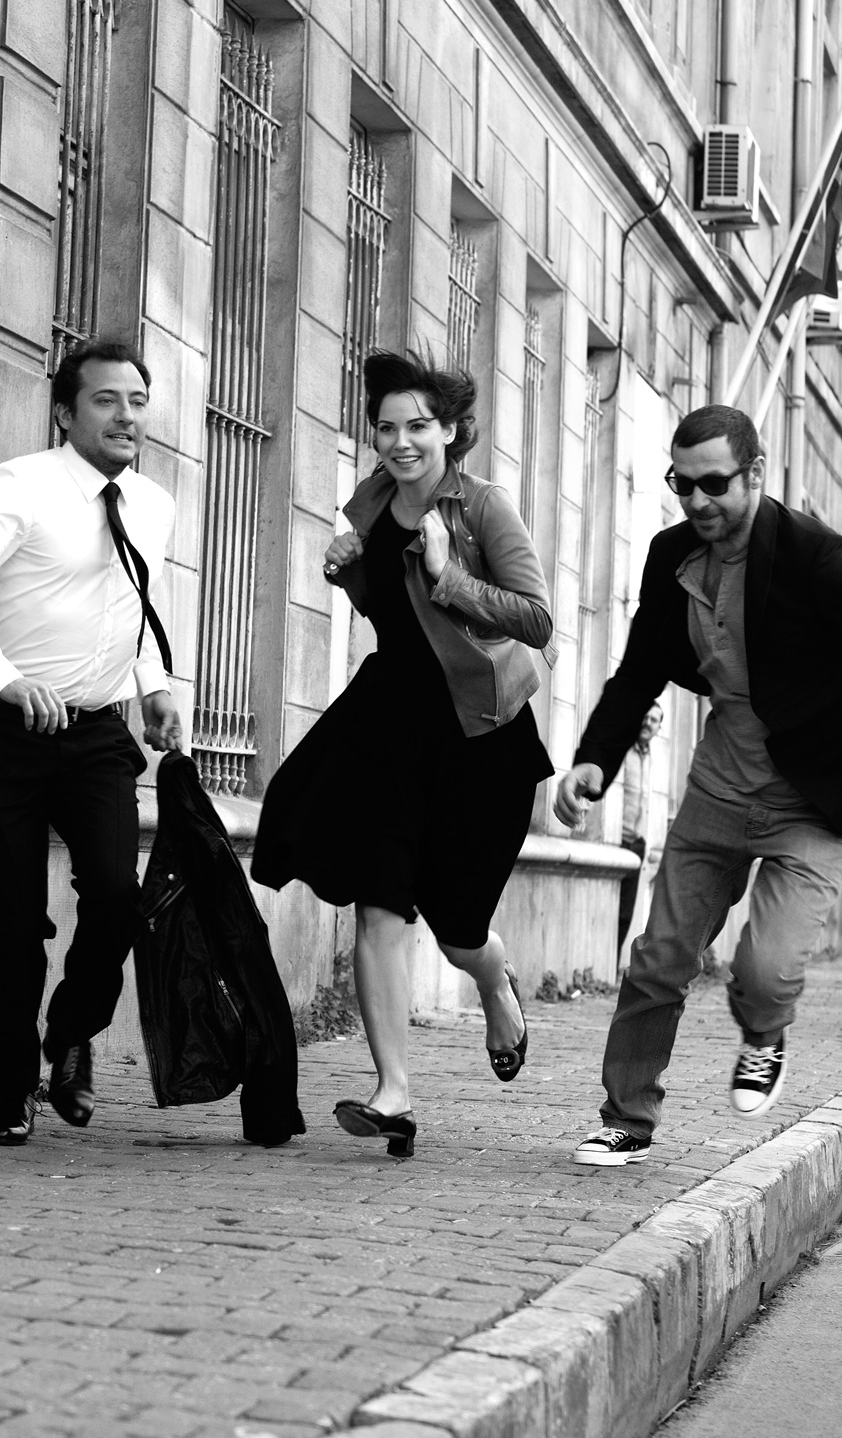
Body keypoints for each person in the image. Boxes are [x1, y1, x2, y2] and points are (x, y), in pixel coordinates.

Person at [556, 404, 842, 1167]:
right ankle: (626, 1117)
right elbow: (643, 665)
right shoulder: (673, 555)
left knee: (766, 973)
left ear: (754, 472)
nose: (698, 501)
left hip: (811, 800)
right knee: (659, 959)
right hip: (718, 790)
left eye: (714, 483)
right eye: (683, 484)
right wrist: (594, 759)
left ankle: (764, 1031)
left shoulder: (813, 554)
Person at [251, 350, 554, 1158]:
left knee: (458, 930)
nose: (400, 442)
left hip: (482, 738)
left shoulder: (484, 508)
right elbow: (394, 611)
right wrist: (348, 572)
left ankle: (493, 980)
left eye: (418, 425)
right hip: (391, 725)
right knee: (379, 899)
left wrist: (451, 575)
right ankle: (393, 1093)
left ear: (450, 430)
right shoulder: (373, 502)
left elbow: (536, 619)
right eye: (386, 428)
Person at [0, 338, 184, 1147]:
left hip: (97, 732)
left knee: (116, 898)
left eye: (137, 401)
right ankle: (12, 1091)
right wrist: (2, 677)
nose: (126, 416)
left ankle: (69, 1036)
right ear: (65, 413)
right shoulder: (20, 486)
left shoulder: (153, 504)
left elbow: (135, 607)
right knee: (18, 920)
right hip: (7, 733)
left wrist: (156, 686)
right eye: (106, 400)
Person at [616, 706, 665, 955]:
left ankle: (612, 963)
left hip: (637, 843)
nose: (647, 723)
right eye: (645, 717)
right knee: (613, 911)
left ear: (659, 728)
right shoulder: (624, 749)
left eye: (653, 720)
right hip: (617, 840)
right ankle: (606, 963)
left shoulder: (652, 757)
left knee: (625, 913)